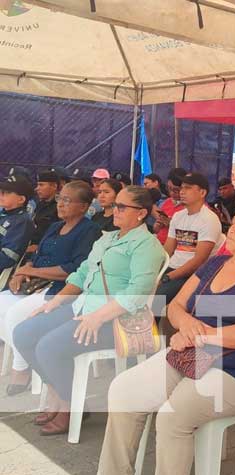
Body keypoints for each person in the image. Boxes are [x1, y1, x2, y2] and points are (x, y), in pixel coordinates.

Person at [75, 204, 235, 475]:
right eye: (234, 223)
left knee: (171, 416)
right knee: (124, 390)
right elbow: (175, 307)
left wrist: (197, 334)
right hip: (191, 354)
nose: (232, 228)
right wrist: (187, 326)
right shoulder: (215, 265)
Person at [13, 186, 163, 436]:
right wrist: (56, 301)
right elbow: (82, 273)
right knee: (24, 333)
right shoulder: (108, 238)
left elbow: (137, 292)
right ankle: (61, 394)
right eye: (116, 205)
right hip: (83, 308)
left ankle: (72, 406)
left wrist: (98, 316)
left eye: (122, 207)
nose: (115, 210)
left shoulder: (146, 246)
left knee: (48, 347)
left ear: (141, 213)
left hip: (114, 320)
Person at [2, 181, 101, 396]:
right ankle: (31, 359)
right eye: (60, 199)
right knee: (1, 305)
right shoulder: (55, 226)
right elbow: (37, 258)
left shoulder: (89, 231)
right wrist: (24, 270)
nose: (61, 204)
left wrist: (35, 273)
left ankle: (22, 370)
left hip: (61, 290)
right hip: (35, 285)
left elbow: (74, 270)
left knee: (15, 314)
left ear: (83, 206)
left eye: (67, 200)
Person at [157, 172, 224, 305]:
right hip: (171, 269)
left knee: (156, 300)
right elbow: (167, 250)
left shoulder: (209, 219)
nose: (182, 191)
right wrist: (156, 270)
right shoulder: (178, 216)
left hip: (192, 274)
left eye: (188, 188)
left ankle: (152, 324)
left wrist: (166, 277)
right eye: (181, 188)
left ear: (202, 192)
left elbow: (198, 261)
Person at [0, 175, 35, 272]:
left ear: (21, 199)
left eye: (6, 193)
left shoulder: (22, 221)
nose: (1, 194)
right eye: (1, 191)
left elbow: (8, 258)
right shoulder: (5, 214)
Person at [29, 170, 60, 250]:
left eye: (41, 185)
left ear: (54, 186)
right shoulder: (40, 204)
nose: (36, 188)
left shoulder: (60, 206)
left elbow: (59, 235)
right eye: (37, 185)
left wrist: (39, 247)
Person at [153, 168, 186, 244]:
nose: (171, 193)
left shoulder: (189, 207)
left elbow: (190, 236)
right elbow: (156, 230)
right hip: (159, 243)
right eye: (169, 189)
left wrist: (171, 225)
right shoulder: (167, 202)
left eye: (176, 190)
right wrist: (157, 226)